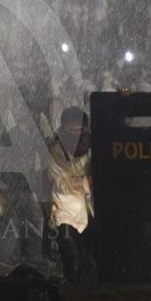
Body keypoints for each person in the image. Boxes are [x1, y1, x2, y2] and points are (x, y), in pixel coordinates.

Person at [47, 107, 96, 286]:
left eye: (79, 130)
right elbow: (59, 182)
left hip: (89, 211)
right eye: (72, 130)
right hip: (64, 212)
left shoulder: (92, 147)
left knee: (90, 259)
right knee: (72, 259)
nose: (76, 134)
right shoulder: (56, 151)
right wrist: (85, 183)